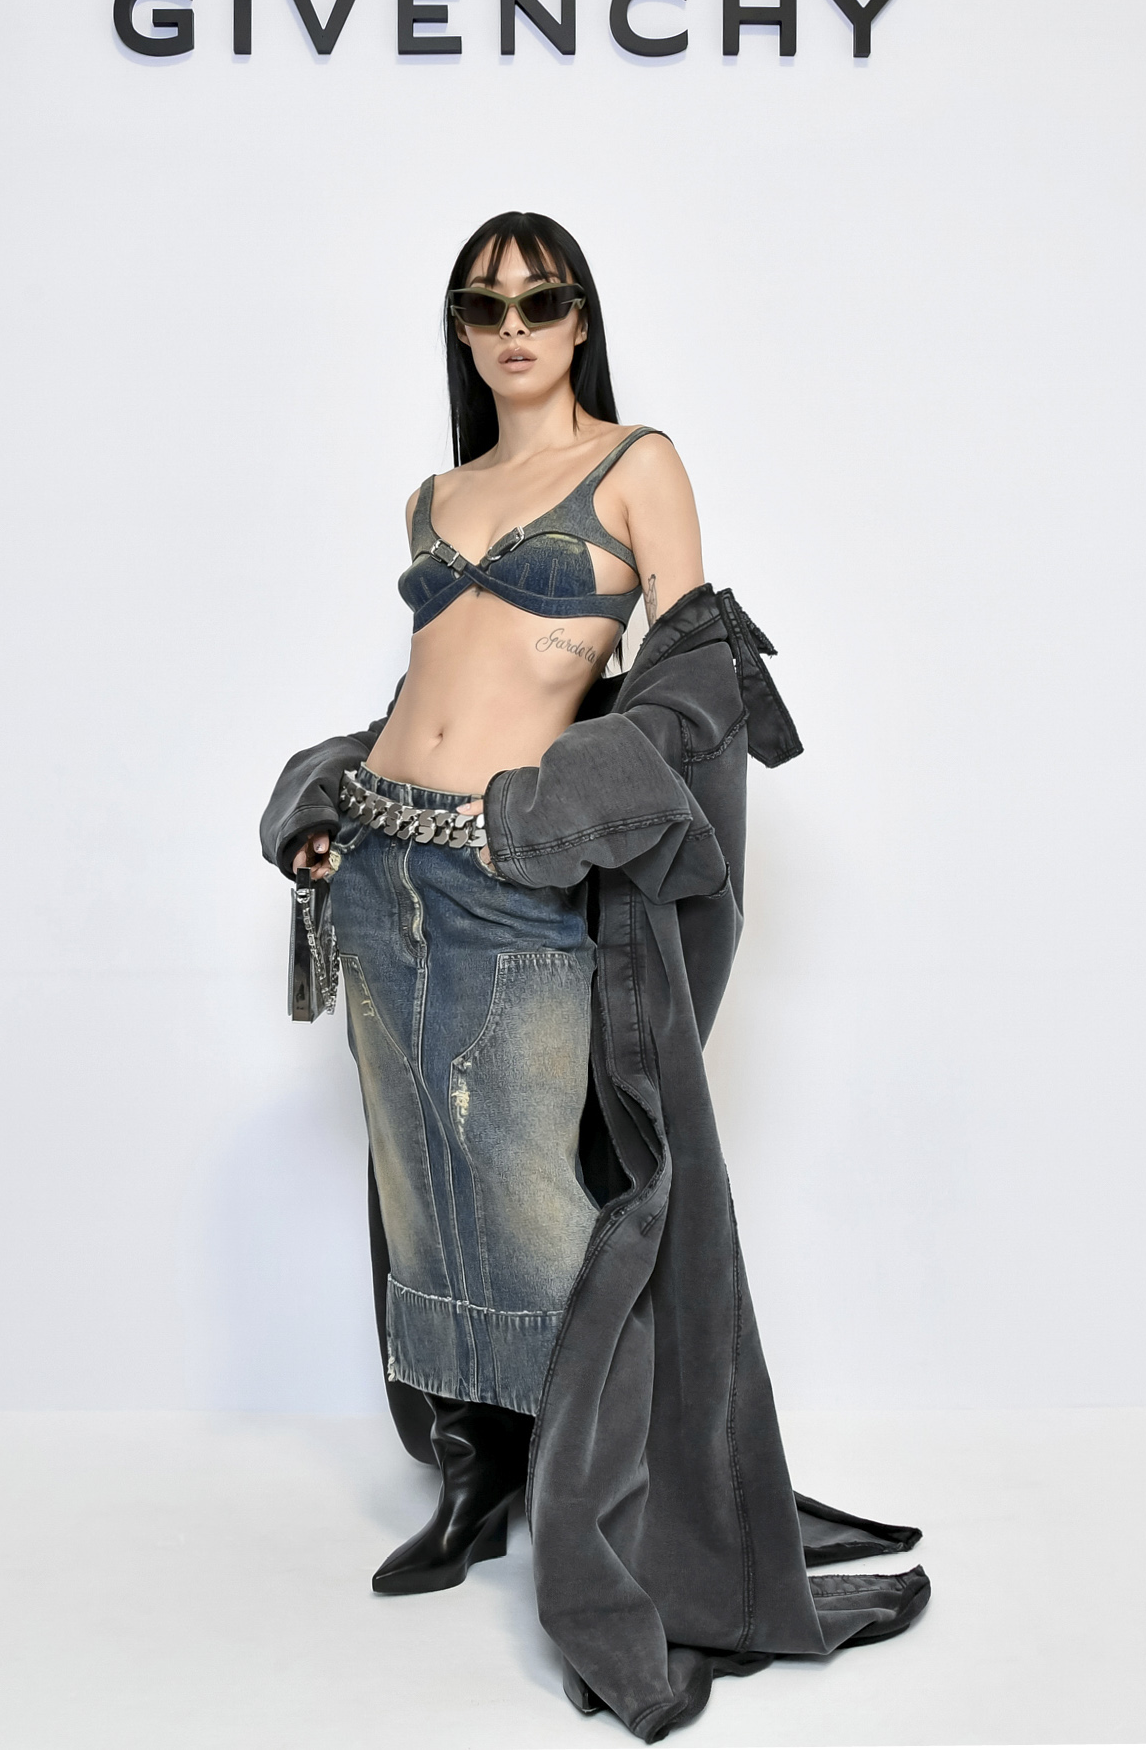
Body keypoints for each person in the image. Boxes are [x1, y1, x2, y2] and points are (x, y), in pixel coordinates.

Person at [260, 212, 929, 1742]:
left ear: (580, 319)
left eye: (541, 300)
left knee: (552, 1219)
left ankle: (613, 1554)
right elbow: (437, 680)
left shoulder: (637, 463)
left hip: (513, 878)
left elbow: (691, 680)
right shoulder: (434, 494)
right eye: (484, 304)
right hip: (383, 869)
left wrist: (560, 804)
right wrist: (333, 792)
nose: (513, 326)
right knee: (423, 1188)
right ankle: (474, 1472)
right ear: (461, 327)